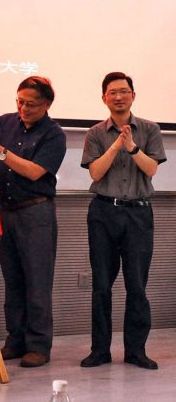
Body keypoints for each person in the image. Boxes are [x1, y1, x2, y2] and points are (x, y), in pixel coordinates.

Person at [0, 76, 66, 368]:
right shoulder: (5, 122)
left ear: (47, 105)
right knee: (13, 281)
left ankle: (38, 345)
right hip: (5, 211)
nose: (24, 108)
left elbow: (35, 172)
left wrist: (2, 153)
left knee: (37, 282)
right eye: (20, 101)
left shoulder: (54, 134)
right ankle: (15, 340)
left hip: (36, 213)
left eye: (31, 104)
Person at [80, 72, 166, 370]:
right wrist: (116, 144)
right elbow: (95, 173)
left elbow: (151, 169)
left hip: (138, 214)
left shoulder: (150, 129)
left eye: (124, 91)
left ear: (133, 95)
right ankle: (100, 350)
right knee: (101, 285)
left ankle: (136, 351)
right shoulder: (95, 133)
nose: (119, 96)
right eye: (113, 92)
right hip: (103, 213)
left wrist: (132, 147)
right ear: (104, 98)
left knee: (137, 285)